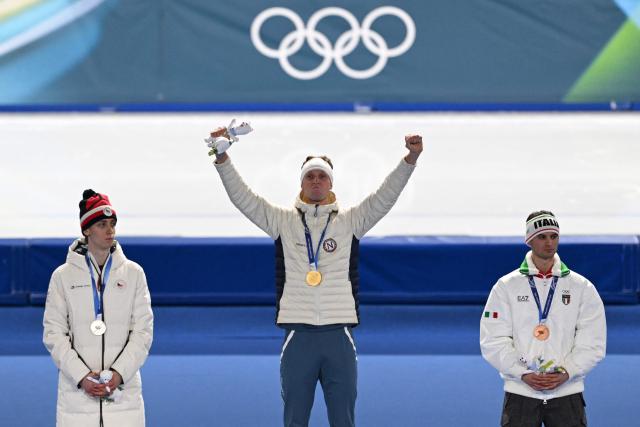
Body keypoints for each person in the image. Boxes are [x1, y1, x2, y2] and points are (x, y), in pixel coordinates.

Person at [208, 124, 423, 427]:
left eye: (322, 176)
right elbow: (243, 199)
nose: (316, 180)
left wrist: (410, 159)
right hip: (299, 335)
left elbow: (384, 197)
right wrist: (221, 159)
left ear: (331, 183)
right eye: (310, 176)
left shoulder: (351, 221)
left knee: (343, 421)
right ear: (301, 183)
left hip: (339, 334)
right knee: (295, 420)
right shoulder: (282, 221)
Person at [480, 210, 606, 427]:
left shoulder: (582, 287)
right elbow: (492, 340)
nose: (549, 242)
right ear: (529, 240)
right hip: (521, 392)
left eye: (554, 236)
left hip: (567, 392)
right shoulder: (505, 287)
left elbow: (593, 342)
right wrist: (522, 373)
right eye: (542, 236)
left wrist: (568, 372)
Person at [43, 190, 154, 427]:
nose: (110, 230)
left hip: (124, 399)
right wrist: (82, 377)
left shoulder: (134, 274)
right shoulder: (62, 277)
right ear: (86, 230)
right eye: (102, 224)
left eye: (112, 224)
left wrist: (118, 374)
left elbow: (143, 332)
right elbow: (53, 333)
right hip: (77, 400)